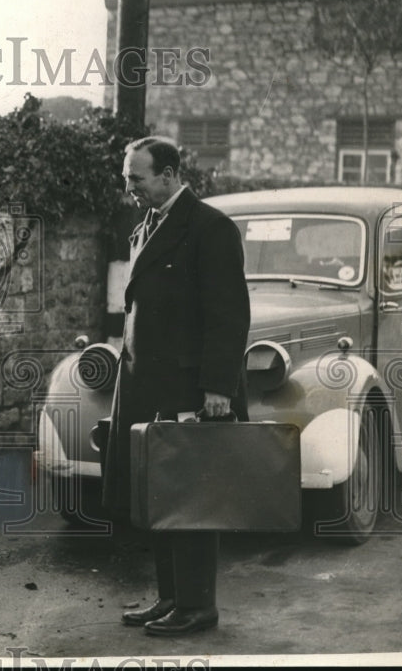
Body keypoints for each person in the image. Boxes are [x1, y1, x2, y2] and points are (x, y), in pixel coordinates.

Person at [101, 136, 250, 637]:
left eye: (136, 178)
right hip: (146, 384)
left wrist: (218, 388)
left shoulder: (210, 227)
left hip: (190, 389)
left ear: (167, 174)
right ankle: (170, 598)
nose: (129, 188)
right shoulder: (146, 225)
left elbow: (228, 315)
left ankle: (197, 606)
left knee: (191, 497)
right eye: (127, 178)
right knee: (160, 495)